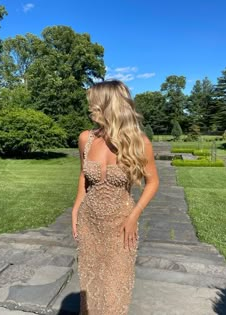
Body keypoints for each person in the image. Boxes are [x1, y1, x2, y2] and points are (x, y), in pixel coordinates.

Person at [71, 80, 159, 315]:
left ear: (110, 106)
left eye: (95, 105)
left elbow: (153, 182)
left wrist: (133, 216)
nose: (91, 110)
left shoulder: (139, 142)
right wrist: (76, 208)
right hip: (89, 222)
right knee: (89, 287)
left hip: (121, 225)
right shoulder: (85, 139)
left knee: (114, 290)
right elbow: (83, 175)